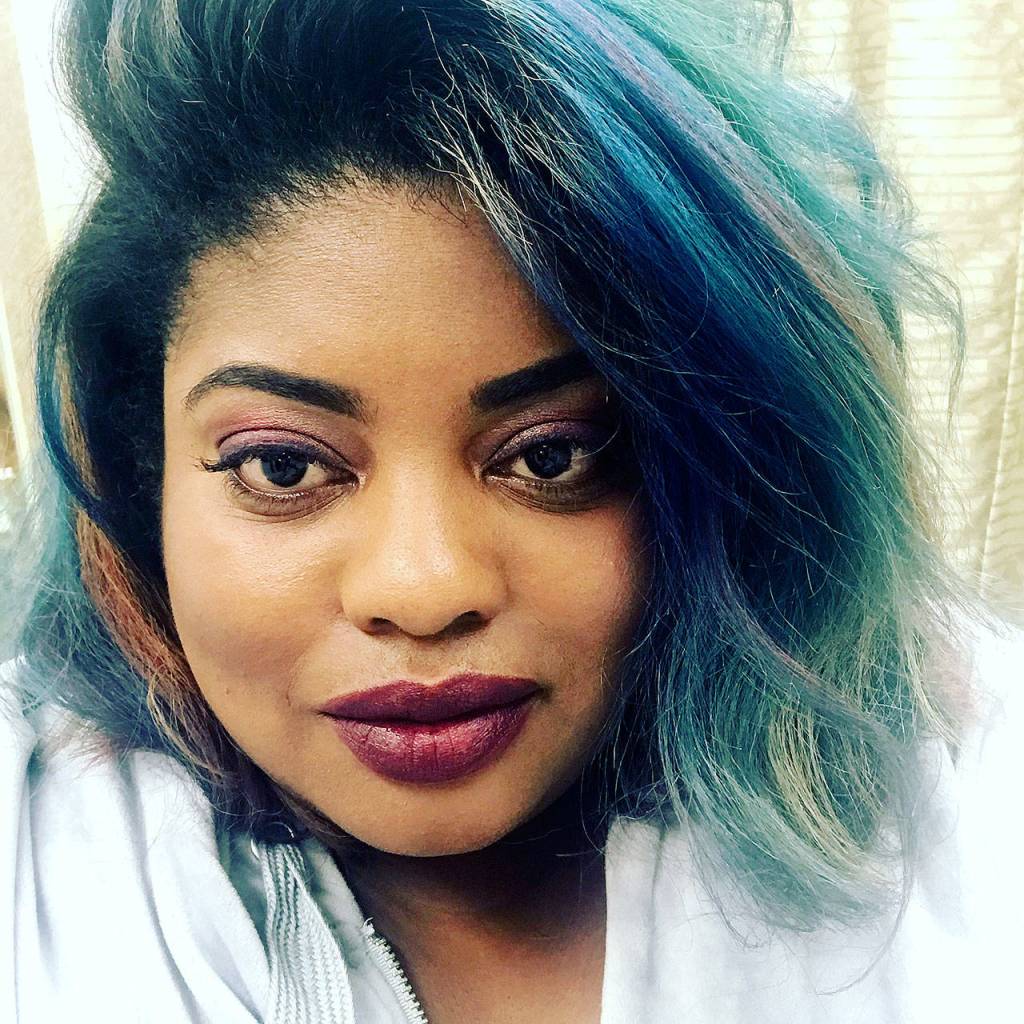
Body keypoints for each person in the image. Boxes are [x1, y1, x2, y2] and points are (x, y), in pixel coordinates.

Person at [1, 1, 1021, 1021]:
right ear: (143, 478)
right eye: (282, 465)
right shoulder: (35, 842)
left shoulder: (970, 780)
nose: (424, 589)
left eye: (549, 455)